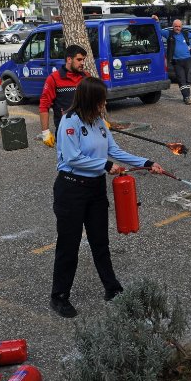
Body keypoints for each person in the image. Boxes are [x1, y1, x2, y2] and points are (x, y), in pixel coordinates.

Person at [50, 77, 165, 318]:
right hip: (71, 190)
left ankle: (112, 289)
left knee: (100, 242)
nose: (104, 103)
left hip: (95, 190)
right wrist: (105, 165)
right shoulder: (70, 122)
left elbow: (114, 151)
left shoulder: (100, 123)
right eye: (101, 98)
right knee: (68, 246)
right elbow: (72, 158)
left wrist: (146, 163)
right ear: (90, 98)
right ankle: (59, 297)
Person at [39, 45, 89, 147]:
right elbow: (44, 105)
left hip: (87, 130)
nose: (82, 63)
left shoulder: (86, 77)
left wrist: (101, 121)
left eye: (83, 60)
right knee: (68, 162)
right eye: (79, 60)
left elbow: (94, 101)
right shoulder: (54, 79)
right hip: (66, 132)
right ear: (69, 59)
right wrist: (45, 132)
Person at [158, 18, 191, 105]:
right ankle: (186, 97)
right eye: (176, 26)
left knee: (187, 78)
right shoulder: (169, 34)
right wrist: (156, 21)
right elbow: (159, 31)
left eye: (179, 26)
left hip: (187, 60)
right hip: (176, 61)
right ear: (173, 26)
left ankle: (187, 96)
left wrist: (190, 46)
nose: (177, 28)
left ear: (181, 27)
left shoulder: (185, 33)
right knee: (181, 79)